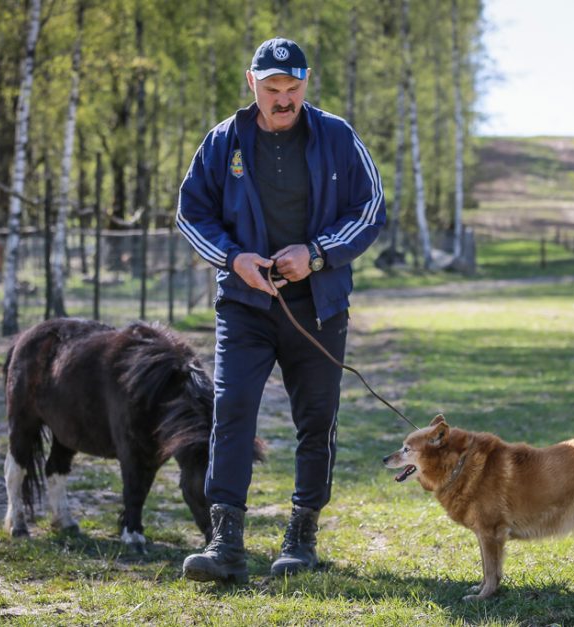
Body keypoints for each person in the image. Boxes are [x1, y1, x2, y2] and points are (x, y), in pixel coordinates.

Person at [175, 37, 386, 584]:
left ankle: (302, 537)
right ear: (252, 84)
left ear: (305, 83)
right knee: (233, 411)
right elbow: (189, 212)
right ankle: (225, 543)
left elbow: (371, 210)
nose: (283, 99)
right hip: (245, 303)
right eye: (272, 89)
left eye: (292, 88)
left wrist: (316, 255)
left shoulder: (338, 137)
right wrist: (234, 258)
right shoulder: (223, 141)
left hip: (318, 307)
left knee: (316, 419)